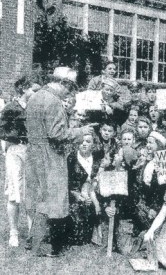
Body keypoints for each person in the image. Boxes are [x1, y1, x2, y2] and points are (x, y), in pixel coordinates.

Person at [25, 67, 95, 257]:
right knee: (53, 201)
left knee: (39, 199)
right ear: (63, 83)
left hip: (33, 153)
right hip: (49, 155)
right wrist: (82, 131)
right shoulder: (53, 101)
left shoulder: (35, 96)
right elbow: (57, 134)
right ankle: (48, 247)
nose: (69, 93)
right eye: (70, 88)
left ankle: (34, 243)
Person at [0, 77, 41, 247]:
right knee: (14, 191)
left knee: (31, 190)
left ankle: (32, 233)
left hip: (31, 150)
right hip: (15, 150)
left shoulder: (36, 107)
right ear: (24, 89)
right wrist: (15, 137)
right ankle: (13, 232)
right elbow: (2, 129)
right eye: (34, 90)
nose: (36, 94)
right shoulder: (11, 108)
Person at [67, 133, 102, 246]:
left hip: (92, 193)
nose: (84, 144)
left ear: (93, 144)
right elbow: (67, 183)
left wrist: (94, 200)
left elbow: (95, 182)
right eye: (81, 141)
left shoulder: (97, 159)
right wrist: (78, 196)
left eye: (88, 141)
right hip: (73, 194)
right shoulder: (71, 158)